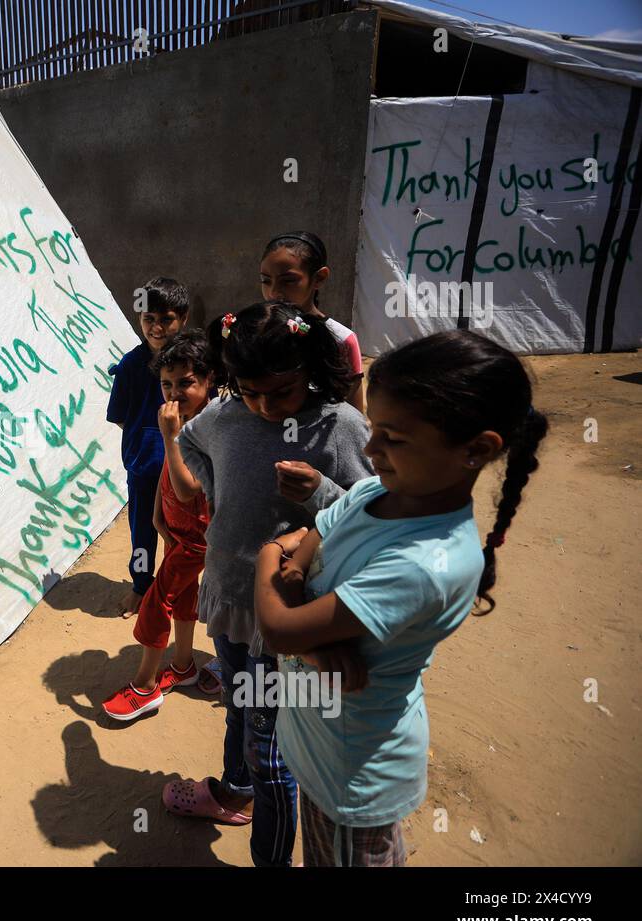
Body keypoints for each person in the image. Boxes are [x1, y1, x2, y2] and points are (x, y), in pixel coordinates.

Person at [255, 329, 547, 866]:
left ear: (477, 449)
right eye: (373, 429)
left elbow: (277, 625)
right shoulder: (377, 491)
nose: (370, 449)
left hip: (350, 773)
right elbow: (316, 537)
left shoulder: (427, 563)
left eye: (393, 436)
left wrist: (270, 557)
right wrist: (314, 645)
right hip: (318, 739)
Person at [161, 301, 373, 867]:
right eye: (248, 390)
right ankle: (235, 792)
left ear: (309, 368)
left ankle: (268, 856)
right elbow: (191, 442)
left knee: (273, 755)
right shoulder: (227, 417)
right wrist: (220, 494)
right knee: (239, 705)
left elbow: (377, 513)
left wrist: (324, 492)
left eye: (278, 392)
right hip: (232, 597)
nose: (262, 406)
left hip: (294, 620)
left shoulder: (341, 425)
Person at [102, 330, 217, 720]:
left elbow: (188, 490)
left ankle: (146, 686)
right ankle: (183, 665)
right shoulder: (184, 419)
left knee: (155, 602)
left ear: (209, 380)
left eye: (186, 382)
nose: (174, 392)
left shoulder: (209, 430)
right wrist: (155, 511)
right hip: (176, 528)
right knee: (183, 598)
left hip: (197, 535)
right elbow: (168, 474)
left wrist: (170, 436)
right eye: (167, 384)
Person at [106, 277, 190, 618]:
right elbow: (121, 416)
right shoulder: (129, 365)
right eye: (148, 319)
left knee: (182, 530)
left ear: (183, 319)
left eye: (166, 319)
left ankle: (177, 588)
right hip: (144, 468)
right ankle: (142, 585)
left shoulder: (194, 365)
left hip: (186, 468)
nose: (156, 327)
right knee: (143, 529)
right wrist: (146, 443)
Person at [259, 231, 365, 413]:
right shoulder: (254, 332)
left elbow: (354, 415)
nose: (274, 292)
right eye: (266, 280)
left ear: (319, 278)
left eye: (288, 281)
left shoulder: (340, 339)